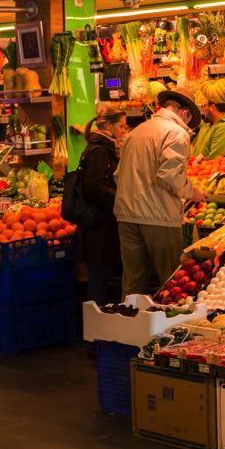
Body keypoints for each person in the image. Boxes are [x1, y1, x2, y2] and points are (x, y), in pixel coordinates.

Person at [114, 89, 206, 298]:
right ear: (184, 114)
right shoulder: (176, 133)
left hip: (126, 215)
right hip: (159, 217)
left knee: (133, 283)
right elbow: (169, 176)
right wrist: (192, 193)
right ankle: (171, 327)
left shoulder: (136, 132)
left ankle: (129, 327)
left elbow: (118, 175)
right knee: (172, 281)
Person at [78, 109, 128, 305]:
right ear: (108, 126)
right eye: (122, 126)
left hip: (101, 223)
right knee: (98, 281)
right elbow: (94, 187)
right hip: (100, 224)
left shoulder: (101, 147)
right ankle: (93, 327)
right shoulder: (99, 150)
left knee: (102, 278)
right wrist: (119, 201)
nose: (124, 131)